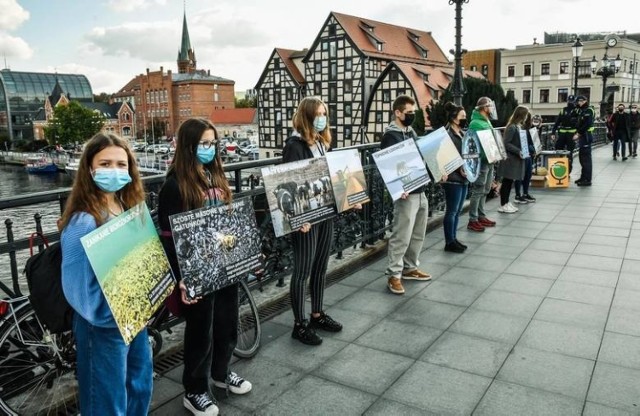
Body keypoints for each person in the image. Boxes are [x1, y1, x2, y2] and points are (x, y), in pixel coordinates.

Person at [158, 118, 251, 416]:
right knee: (201, 330)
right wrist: (181, 278)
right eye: (204, 144)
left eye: (213, 143)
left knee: (227, 320)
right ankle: (195, 389)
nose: (210, 149)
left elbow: (228, 220)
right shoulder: (174, 186)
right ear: (188, 147)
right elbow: (169, 238)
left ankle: (221, 373)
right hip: (196, 271)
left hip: (223, 264)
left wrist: (243, 253)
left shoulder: (215, 176)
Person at [60, 133, 152, 415]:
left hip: (132, 315)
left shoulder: (125, 205)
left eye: (121, 165)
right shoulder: (84, 219)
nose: (115, 171)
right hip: (103, 323)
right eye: (106, 163)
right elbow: (75, 285)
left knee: (139, 384)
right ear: (89, 168)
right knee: (106, 401)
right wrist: (106, 318)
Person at [283, 97, 343, 345]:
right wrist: (298, 218)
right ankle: (300, 324)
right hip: (306, 218)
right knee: (303, 271)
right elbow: (288, 183)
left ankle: (317, 314)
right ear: (306, 117)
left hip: (324, 211)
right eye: (317, 114)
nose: (322, 118)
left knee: (320, 266)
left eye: (324, 113)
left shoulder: (320, 142)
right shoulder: (294, 145)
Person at [381, 94, 431, 295]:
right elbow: (387, 166)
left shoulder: (411, 132)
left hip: (420, 190)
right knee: (401, 235)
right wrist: (397, 187)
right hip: (405, 194)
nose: (412, 116)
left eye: (413, 112)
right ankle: (394, 274)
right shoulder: (390, 136)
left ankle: (410, 267)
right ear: (398, 113)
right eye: (408, 113)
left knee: (418, 233)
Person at [466, 96, 498, 232]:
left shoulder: (486, 121)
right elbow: (475, 145)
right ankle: (473, 219)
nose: (491, 109)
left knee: (485, 190)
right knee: (478, 190)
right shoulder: (476, 123)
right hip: (483, 162)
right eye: (490, 106)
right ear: (484, 108)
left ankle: (481, 215)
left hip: (490, 160)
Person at [442, 102, 469, 253]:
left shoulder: (463, 133)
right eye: (463, 116)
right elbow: (444, 157)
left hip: (463, 177)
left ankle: (453, 237)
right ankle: (449, 241)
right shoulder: (447, 134)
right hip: (453, 178)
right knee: (451, 211)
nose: (465, 119)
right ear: (454, 118)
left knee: (458, 210)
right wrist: (459, 167)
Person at [497, 106, 528, 213]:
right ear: (522, 115)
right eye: (526, 114)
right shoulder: (512, 127)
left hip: (514, 159)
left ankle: (506, 202)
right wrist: (518, 151)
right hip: (510, 159)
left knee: (509, 182)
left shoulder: (517, 126)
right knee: (507, 182)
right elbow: (506, 143)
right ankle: (503, 204)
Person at [551, 95, 579, 173]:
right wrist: (553, 133)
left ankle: (568, 171)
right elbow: (557, 122)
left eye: (572, 101)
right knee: (558, 150)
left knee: (570, 152)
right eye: (569, 101)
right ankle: (558, 170)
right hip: (562, 133)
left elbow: (580, 123)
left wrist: (577, 133)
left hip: (571, 134)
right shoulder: (563, 110)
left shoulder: (577, 110)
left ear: (574, 102)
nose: (570, 102)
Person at [514, 112, 536, 204]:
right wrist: (532, 149)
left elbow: (531, 141)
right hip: (522, 154)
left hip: (528, 154)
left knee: (528, 174)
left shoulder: (528, 129)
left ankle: (525, 193)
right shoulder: (520, 128)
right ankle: (518, 194)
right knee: (520, 175)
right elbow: (524, 142)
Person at [573, 96, 595, 186]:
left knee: (586, 159)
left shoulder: (589, 110)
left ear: (586, 101)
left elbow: (587, 124)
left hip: (586, 135)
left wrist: (578, 134)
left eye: (581, 101)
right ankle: (583, 177)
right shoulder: (582, 110)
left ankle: (587, 179)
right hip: (583, 136)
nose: (580, 102)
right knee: (582, 158)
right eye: (578, 101)